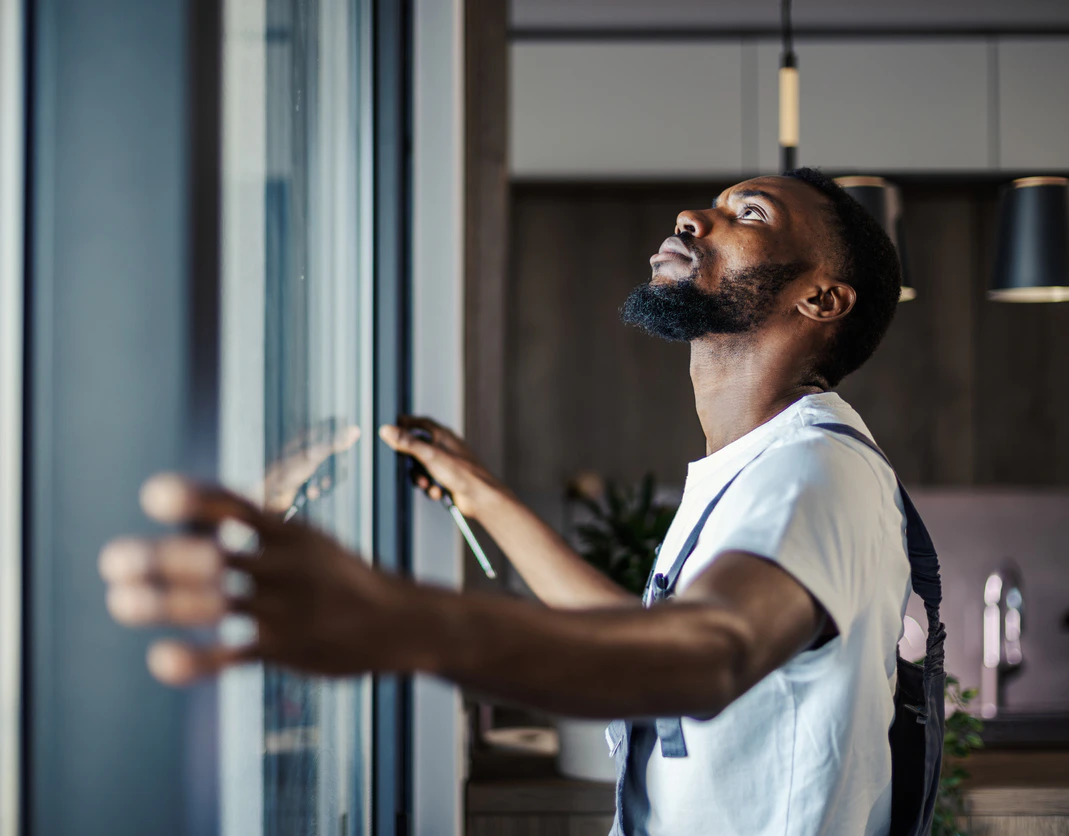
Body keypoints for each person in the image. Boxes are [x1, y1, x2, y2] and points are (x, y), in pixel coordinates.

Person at [100, 168, 912, 835]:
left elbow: (708, 655)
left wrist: (393, 618)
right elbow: (641, 635)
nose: (693, 215)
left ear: (821, 299)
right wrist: (482, 497)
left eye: (749, 213)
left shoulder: (813, 470)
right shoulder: (758, 464)